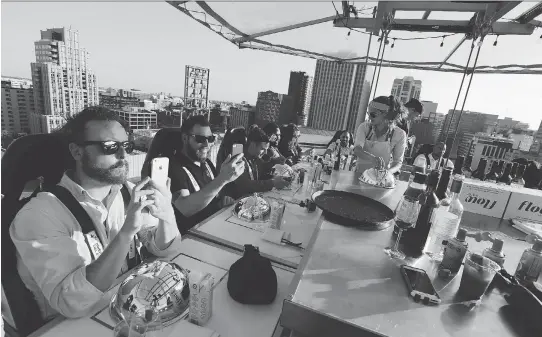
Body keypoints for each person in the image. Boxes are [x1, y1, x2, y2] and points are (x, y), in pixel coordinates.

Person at [9, 107, 182, 320]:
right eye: (110, 146)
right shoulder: (40, 215)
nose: (123, 154)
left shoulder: (128, 192)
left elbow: (165, 249)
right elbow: (72, 303)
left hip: (130, 308)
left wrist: (166, 215)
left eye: (126, 145)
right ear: (77, 152)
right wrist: (126, 234)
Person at [168, 115, 245, 234]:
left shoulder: (206, 163)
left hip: (214, 227)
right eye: (200, 139)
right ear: (185, 138)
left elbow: (213, 194)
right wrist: (222, 179)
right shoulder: (174, 167)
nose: (206, 144)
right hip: (192, 237)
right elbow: (184, 207)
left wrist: (222, 200)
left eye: (210, 139)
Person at [224, 126, 290, 199]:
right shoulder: (237, 156)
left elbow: (260, 175)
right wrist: (272, 183)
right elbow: (245, 185)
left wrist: (277, 178)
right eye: (262, 149)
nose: (265, 152)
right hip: (236, 201)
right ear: (253, 144)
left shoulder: (254, 157)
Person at [353, 96, 408, 175]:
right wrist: (372, 158)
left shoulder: (399, 134)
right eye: (368, 113)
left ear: (385, 114)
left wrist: (388, 173)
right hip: (359, 174)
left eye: (373, 114)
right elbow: (357, 150)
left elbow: (397, 162)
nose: (369, 117)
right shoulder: (364, 127)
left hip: (381, 178)